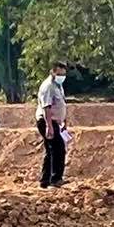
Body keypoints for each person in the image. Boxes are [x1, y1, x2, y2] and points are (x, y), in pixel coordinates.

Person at [35, 60, 69, 188]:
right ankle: (53, 179)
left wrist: (64, 122)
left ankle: (49, 180)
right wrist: (49, 126)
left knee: (53, 150)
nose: (62, 77)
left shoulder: (58, 86)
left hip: (56, 122)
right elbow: (46, 107)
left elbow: (61, 105)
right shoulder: (48, 86)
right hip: (47, 121)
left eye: (64, 74)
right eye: (59, 74)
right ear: (53, 72)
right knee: (56, 148)